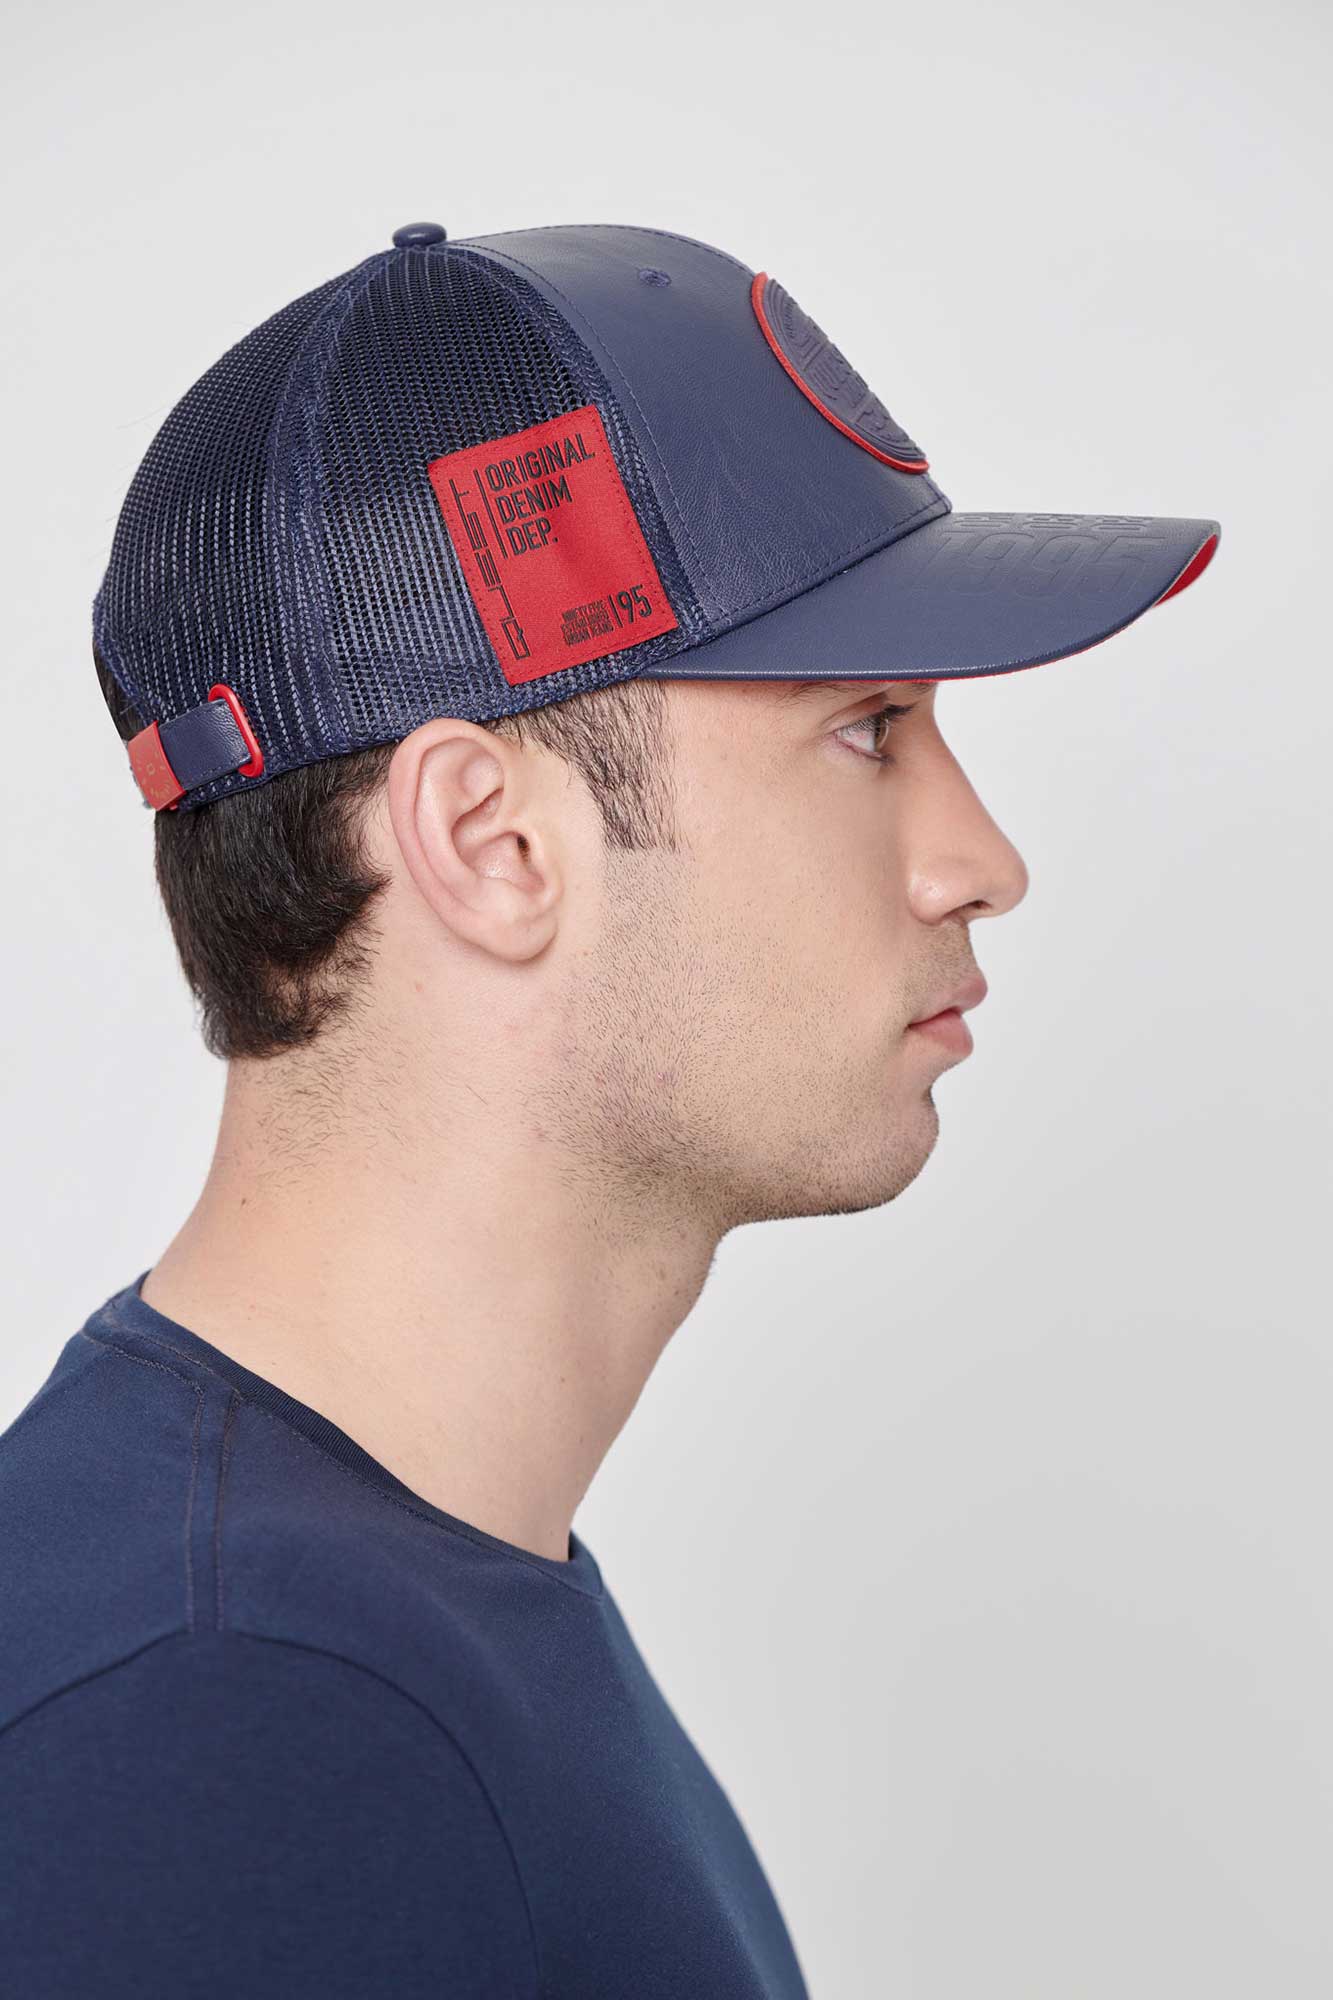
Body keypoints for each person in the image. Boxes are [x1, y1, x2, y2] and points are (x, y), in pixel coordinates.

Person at [0, 219, 1219, 1996]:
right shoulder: (228, 1734)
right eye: (867, 727)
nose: (979, 861)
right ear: (491, 844)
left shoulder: (378, 1615)